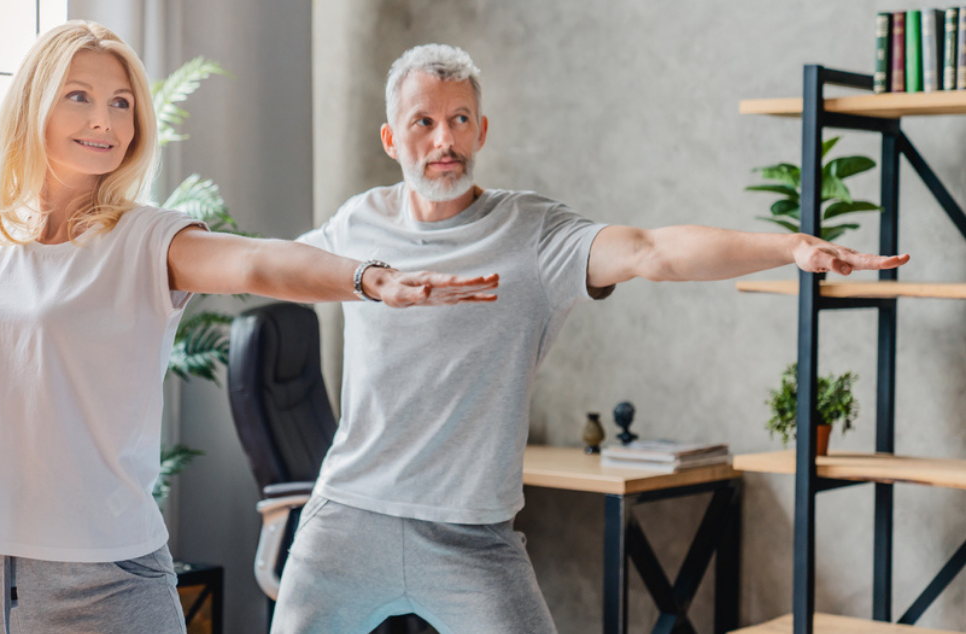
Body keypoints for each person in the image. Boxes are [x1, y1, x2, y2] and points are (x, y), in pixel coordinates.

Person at [0, 23, 499, 634]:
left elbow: (256, 264)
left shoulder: (148, 240)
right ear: (33, 109)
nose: (105, 120)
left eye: (120, 103)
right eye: (79, 97)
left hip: (102, 579)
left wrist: (367, 277)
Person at [274, 44, 909, 634]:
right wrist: (173, 247)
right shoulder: (358, 222)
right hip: (347, 523)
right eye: (424, 123)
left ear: (482, 130)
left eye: (461, 119)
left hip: (472, 538)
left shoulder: (532, 233)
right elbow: (269, 266)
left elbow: (652, 250)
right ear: (391, 138)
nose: (446, 140)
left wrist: (789, 246)